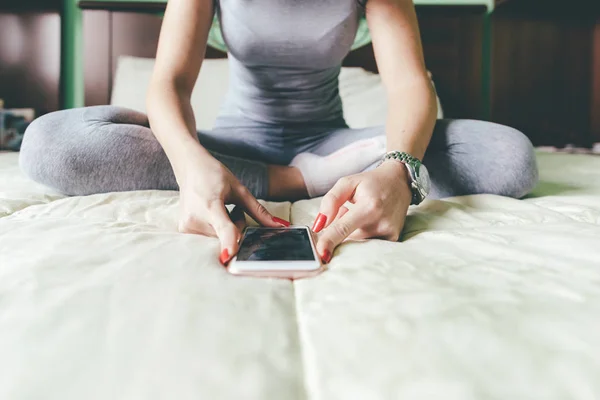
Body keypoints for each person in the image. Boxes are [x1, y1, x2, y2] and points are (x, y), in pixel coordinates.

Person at [19, 0, 538, 265]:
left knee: (509, 156)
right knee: (48, 143)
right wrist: (188, 161)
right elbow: (169, 83)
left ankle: (316, 173)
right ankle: (296, 178)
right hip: (234, 149)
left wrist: (399, 168)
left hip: (336, 144)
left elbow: (408, 82)